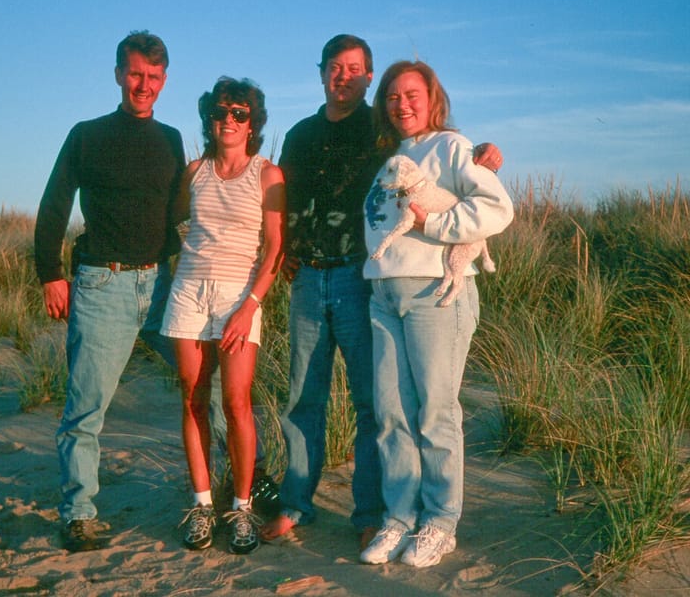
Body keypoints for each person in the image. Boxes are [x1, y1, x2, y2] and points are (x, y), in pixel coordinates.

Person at [261, 34, 502, 550]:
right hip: (321, 279)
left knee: (382, 405)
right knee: (312, 398)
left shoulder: (380, 132)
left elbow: (444, 157)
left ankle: (376, 513)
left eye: (355, 69)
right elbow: (283, 197)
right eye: (335, 67)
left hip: (362, 276)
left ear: (368, 77)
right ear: (321, 71)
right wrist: (283, 250)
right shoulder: (304, 134)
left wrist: (483, 154)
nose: (344, 77)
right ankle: (301, 504)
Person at [33, 31, 184, 553]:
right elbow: (55, 202)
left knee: (204, 381)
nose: (145, 85)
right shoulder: (87, 134)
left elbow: (181, 214)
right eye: (137, 74)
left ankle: (222, 493)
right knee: (86, 408)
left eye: (155, 77)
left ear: (165, 81)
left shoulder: (172, 138)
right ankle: (78, 513)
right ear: (119, 74)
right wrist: (50, 272)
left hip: (164, 285)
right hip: (102, 283)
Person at [358, 60, 513, 568]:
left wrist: (438, 224)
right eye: (392, 97)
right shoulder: (393, 154)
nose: (402, 105)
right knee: (391, 414)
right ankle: (399, 518)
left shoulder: (451, 145)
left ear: (432, 98)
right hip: (383, 295)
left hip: (435, 295)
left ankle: (440, 522)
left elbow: (496, 209)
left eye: (412, 95)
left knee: (436, 413)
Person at [160, 77, 285, 555]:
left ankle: (241, 507)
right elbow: (177, 224)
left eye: (238, 113)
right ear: (208, 119)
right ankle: (202, 504)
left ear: (252, 122)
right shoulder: (194, 171)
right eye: (219, 112)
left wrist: (249, 305)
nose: (227, 120)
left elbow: (274, 246)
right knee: (193, 397)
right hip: (189, 290)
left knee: (236, 401)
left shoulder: (267, 174)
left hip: (239, 295)